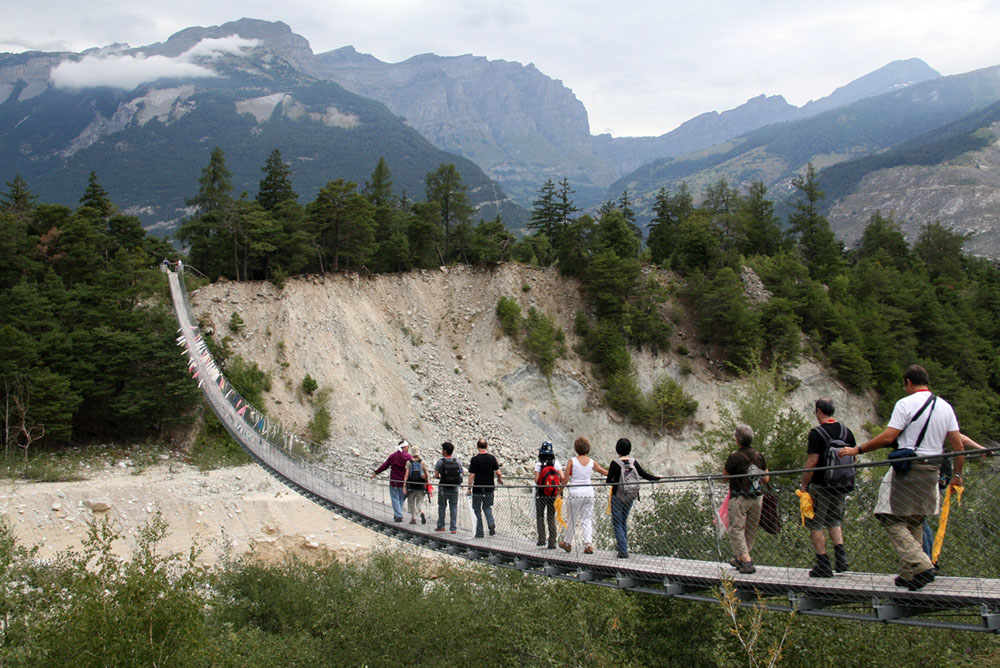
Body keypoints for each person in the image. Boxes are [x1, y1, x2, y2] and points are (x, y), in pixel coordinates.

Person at [838, 364, 964, 591]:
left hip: (908, 468)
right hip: (933, 469)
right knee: (914, 519)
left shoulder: (905, 404)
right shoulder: (945, 407)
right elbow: (957, 446)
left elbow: (889, 436)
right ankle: (908, 575)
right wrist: (957, 475)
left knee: (887, 515)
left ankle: (924, 566)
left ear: (908, 382)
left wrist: (857, 450)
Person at [799, 398, 856, 577]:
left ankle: (823, 563)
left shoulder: (817, 433)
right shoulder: (846, 432)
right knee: (834, 520)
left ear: (819, 411)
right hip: (841, 484)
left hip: (821, 485)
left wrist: (804, 483)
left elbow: (812, 461)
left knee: (816, 523)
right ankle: (841, 558)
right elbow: (854, 457)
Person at [724, 425, 769, 574]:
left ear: (737, 440)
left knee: (736, 528)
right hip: (757, 497)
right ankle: (741, 557)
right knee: (751, 528)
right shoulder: (759, 456)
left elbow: (725, 477)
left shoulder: (734, 457)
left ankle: (746, 561)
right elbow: (766, 479)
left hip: (740, 497)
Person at [606, 437, 661, 558]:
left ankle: (623, 550)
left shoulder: (615, 463)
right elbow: (643, 474)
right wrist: (656, 478)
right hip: (631, 495)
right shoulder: (633, 462)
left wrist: (616, 479)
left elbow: (609, 481)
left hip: (618, 496)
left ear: (617, 449)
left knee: (617, 523)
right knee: (623, 521)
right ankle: (623, 547)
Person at [558, 437, 608, 554]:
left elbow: (565, 479)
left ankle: (567, 542)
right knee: (587, 518)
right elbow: (604, 472)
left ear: (576, 448)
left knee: (572, 519)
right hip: (588, 492)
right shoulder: (591, 462)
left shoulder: (572, 461)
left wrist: (560, 491)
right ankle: (588, 544)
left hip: (575, 492)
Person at [467, 438, 503, 537]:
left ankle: (479, 532)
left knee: (477, 509)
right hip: (489, 487)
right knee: (487, 507)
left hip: (478, 488)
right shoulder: (492, 458)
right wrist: (499, 480)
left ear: (477, 447)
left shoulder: (474, 459)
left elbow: (471, 475)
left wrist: (469, 488)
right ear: (487, 446)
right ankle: (491, 524)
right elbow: (498, 472)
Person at [371, 439, 413, 522]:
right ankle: (398, 514)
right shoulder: (408, 457)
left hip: (394, 481)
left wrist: (376, 472)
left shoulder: (393, 456)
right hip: (403, 482)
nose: (408, 448)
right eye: (407, 447)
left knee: (395, 498)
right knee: (401, 498)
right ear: (404, 447)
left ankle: (398, 515)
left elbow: (385, 466)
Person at [534, 441, 563, 548]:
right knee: (551, 517)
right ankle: (552, 542)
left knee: (540, 516)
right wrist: (559, 491)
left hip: (541, 494)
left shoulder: (539, 464)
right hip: (553, 494)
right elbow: (562, 477)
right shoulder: (556, 463)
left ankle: (541, 539)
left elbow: (536, 479)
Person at [433, 441, 464, 534]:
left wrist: (441, 477)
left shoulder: (440, 462)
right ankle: (453, 528)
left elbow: (436, 475)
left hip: (443, 488)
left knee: (442, 506)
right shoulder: (457, 461)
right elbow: (462, 474)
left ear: (445, 451)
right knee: (453, 507)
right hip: (454, 488)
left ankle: (441, 526)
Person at [403, 446, 429, 525]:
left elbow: (406, 475)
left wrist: (404, 485)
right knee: (419, 502)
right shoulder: (422, 462)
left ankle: (413, 518)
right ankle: (421, 512)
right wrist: (425, 480)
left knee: (411, 502)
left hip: (411, 486)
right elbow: (426, 474)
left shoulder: (409, 462)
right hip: (420, 486)